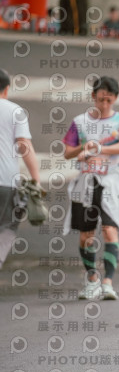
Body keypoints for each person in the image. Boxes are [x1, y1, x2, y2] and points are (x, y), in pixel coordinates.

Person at [62, 77, 119, 300]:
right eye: (101, 99)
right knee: (86, 234)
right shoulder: (80, 122)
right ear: (93, 96)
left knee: (110, 230)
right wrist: (83, 147)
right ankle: (92, 279)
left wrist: (99, 149)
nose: (104, 104)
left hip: (111, 183)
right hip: (86, 183)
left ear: (115, 98)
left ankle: (108, 283)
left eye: (109, 100)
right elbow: (68, 152)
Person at [0, 69, 41, 267]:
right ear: (7, 89)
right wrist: (35, 180)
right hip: (6, 182)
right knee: (8, 226)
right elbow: (24, 146)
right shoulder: (15, 111)